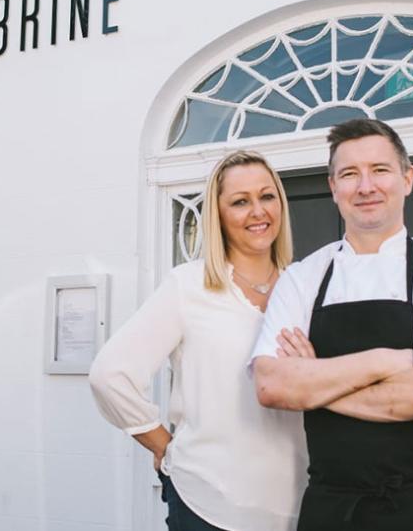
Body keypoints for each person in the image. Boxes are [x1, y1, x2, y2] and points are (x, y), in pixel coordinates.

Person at [251, 119, 413, 531]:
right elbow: (272, 386)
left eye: (379, 170)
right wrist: (387, 361)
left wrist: (314, 387)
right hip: (332, 508)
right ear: (332, 187)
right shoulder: (303, 277)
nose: (365, 186)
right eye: (349, 174)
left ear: (407, 178)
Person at [89, 150, 308, 531]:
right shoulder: (188, 286)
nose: (258, 211)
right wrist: (164, 447)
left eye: (267, 196)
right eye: (240, 201)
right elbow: (110, 375)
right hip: (209, 506)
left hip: (301, 505)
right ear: (218, 216)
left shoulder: (307, 287)